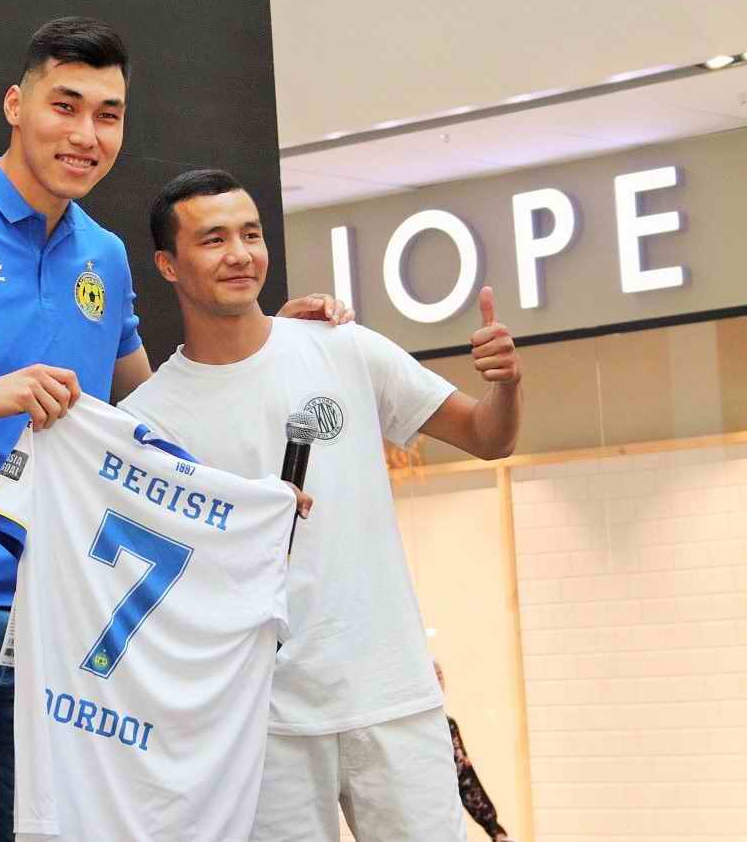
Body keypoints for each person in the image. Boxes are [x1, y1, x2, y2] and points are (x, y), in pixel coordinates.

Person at [0, 18, 348, 841]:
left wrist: (259, 332)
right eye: (66, 105)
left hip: (54, 618)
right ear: (16, 105)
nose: (87, 134)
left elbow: (151, 414)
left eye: (108, 115)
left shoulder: (105, 255)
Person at [118, 169, 523, 842]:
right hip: (259, 720)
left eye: (251, 234)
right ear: (168, 264)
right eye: (214, 239)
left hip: (393, 695)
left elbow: (488, 436)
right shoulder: (149, 419)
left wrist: (506, 384)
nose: (240, 254)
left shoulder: (342, 346)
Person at [434, 660, 516, 842]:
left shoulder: (447, 726)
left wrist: (495, 830)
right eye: (433, 676)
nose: (438, 681)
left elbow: (465, 779)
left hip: (443, 826)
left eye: (440, 676)